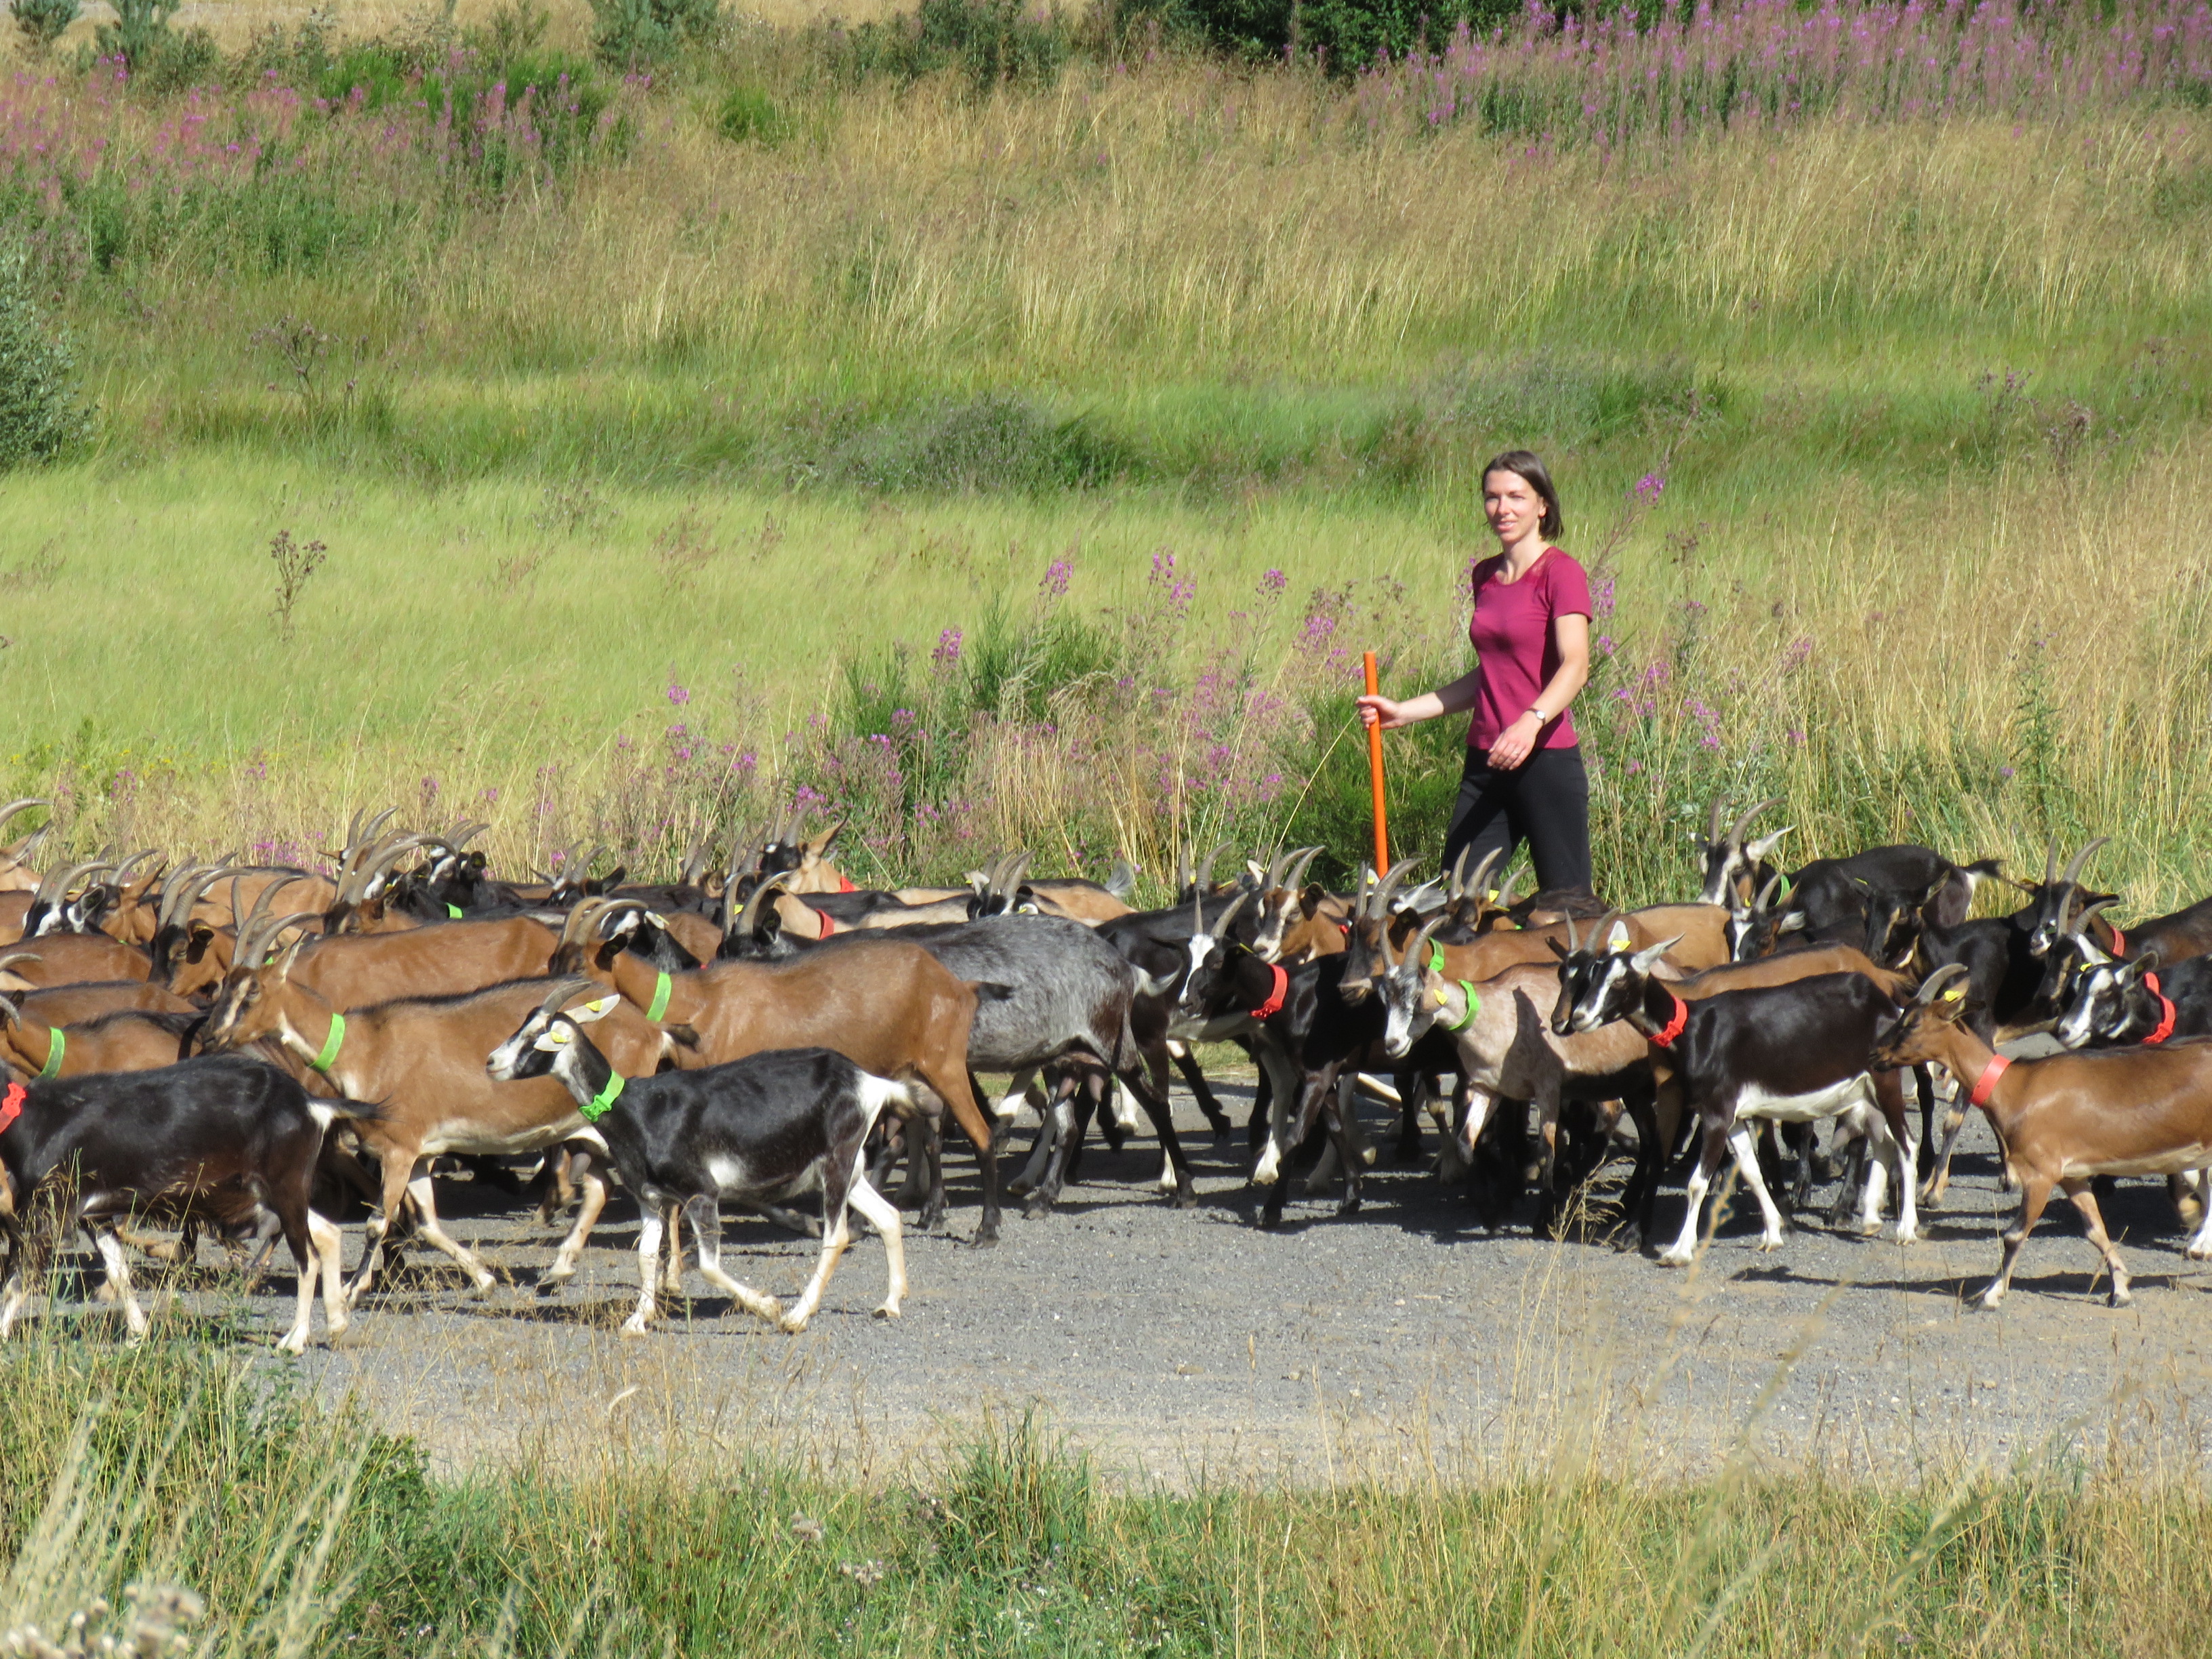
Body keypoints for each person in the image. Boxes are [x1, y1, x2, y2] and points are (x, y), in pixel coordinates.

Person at [1355, 451, 1594, 894]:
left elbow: (1575, 665)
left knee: (1567, 907)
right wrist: (1403, 712)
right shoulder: (1485, 575)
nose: (1503, 508)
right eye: (1492, 497)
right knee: (1456, 899)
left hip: (1545, 758)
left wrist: (1530, 722)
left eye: (1516, 497)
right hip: (1486, 760)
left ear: (1543, 504)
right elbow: (1490, 675)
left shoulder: (1562, 573)